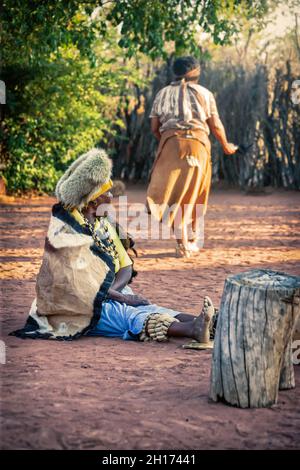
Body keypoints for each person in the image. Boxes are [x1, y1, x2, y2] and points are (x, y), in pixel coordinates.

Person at [11, 148, 216, 346]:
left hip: (108, 293)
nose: (112, 197)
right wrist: (119, 298)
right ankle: (193, 329)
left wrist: (116, 293)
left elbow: (125, 266)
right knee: (129, 315)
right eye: (107, 193)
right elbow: (80, 287)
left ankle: (209, 324)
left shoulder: (105, 224)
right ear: (92, 200)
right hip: (74, 306)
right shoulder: (67, 232)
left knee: (147, 307)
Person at [147, 56, 238, 257]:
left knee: (175, 194)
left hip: (171, 145)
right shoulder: (205, 93)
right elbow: (215, 125)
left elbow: (154, 128)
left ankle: (182, 244)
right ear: (196, 71)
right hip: (198, 146)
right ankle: (194, 239)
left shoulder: (162, 94)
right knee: (196, 192)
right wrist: (226, 145)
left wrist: (169, 142)